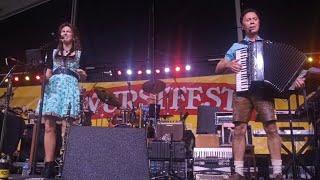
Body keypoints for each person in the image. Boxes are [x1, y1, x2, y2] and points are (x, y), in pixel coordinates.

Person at [215, 9, 305, 180]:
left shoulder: (269, 46)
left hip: (263, 92)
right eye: (248, 19)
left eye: (254, 19)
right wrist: (228, 64)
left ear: (259, 22)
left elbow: (282, 71)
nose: (251, 21)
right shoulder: (237, 47)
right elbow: (218, 66)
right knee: (239, 129)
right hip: (243, 92)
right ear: (243, 25)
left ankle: (277, 172)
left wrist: (295, 82)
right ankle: (239, 172)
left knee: (271, 128)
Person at [36, 22, 87, 178]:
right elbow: (49, 73)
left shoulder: (79, 53)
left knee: (67, 128)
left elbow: (84, 75)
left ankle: (65, 165)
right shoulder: (52, 52)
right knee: (49, 126)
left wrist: (81, 74)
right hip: (54, 87)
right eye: (63, 31)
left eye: (68, 31)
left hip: (70, 86)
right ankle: (48, 165)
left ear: (73, 35)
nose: (65, 33)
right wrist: (43, 80)